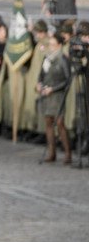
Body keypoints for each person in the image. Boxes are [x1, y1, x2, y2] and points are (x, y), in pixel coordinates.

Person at [36, 33, 72, 164]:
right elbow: (41, 75)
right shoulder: (47, 58)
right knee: (48, 123)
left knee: (60, 124)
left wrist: (54, 89)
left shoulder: (63, 59)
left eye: (52, 44)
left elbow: (68, 79)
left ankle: (68, 153)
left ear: (59, 45)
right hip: (46, 95)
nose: (50, 47)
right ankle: (52, 152)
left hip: (57, 96)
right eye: (49, 44)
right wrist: (39, 84)